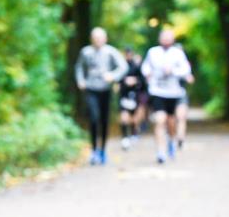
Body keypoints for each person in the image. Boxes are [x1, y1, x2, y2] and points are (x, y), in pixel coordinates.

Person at [74, 27, 128, 165]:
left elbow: (123, 67)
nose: (98, 40)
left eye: (100, 38)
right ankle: (94, 150)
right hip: (91, 89)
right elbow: (79, 67)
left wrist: (113, 76)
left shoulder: (110, 52)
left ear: (105, 39)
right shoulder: (85, 52)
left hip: (105, 90)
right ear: (92, 39)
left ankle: (103, 150)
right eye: (95, 38)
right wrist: (81, 81)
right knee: (93, 118)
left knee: (104, 120)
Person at [141, 28, 192, 164]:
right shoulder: (152, 52)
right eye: (164, 37)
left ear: (173, 40)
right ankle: (161, 151)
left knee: (171, 121)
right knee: (159, 119)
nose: (166, 40)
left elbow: (186, 69)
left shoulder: (178, 53)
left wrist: (173, 71)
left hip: (174, 93)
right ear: (159, 39)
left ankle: (171, 140)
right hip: (157, 92)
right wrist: (147, 73)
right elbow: (145, 67)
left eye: (169, 38)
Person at [117, 47, 146, 150]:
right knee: (124, 118)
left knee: (134, 119)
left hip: (135, 97)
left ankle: (133, 133)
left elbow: (143, 82)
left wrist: (135, 81)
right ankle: (125, 138)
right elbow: (117, 80)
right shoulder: (121, 66)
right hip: (124, 96)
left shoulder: (136, 67)